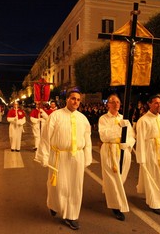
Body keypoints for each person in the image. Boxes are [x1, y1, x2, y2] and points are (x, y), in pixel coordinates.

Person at [35, 90, 92, 230]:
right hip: (59, 155)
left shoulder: (83, 118)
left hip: (76, 156)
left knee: (75, 186)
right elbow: (45, 137)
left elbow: (87, 139)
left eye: (78, 100)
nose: (76, 102)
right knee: (58, 185)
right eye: (73, 99)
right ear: (67, 99)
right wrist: (44, 156)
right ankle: (54, 204)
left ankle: (71, 215)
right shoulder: (55, 116)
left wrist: (87, 157)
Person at [98, 94, 135, 221]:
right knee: (113, 178)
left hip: (123, 151)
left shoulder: (125, 119)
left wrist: (127, 143)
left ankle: (113, 194)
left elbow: (131, 136)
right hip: (109, 150)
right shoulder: (103, 119)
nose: (116, 104)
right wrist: (118, 127)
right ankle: (116, 206)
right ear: (108, 104)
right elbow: (104, 136)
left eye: (118, 102)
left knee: (121, 176)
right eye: (112, 102)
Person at [136, 95, 160, 215]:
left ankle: (156, 199)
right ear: (149, 104)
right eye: (156, 103)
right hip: (150, 152)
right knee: (154, 178)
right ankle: (155, 203)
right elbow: (140, 139)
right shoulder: (143, 120)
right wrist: (141, 158)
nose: (159, 105)